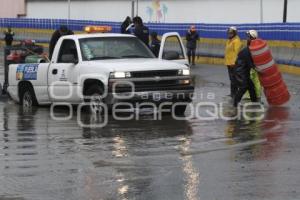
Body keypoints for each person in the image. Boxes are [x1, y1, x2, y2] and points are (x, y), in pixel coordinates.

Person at [233, 30, 259, 107]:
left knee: (251, 87)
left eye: (249, 37)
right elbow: (250, 63)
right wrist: (257, 69)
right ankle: (235, 104)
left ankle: (255, 103)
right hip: (240, 72)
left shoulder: (249, 49)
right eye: (248, 37)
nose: (247, 39)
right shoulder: (247, 50)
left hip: (244, 72)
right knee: (243, 87)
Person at [224, 26, 242, 98]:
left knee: (235, 79)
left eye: (231, 33)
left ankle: (236, 93)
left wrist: (234, 62)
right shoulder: (229, 41)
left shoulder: (237, 41)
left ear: (234, 33)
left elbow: (236, 53)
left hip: (233, 63)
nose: (229, 34)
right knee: (232, 79)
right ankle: (232, 93)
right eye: (228, 33)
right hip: (229, 62)